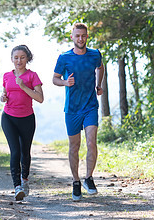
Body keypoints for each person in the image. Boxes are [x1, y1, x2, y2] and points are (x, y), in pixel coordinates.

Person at [53, 23, 104, 201]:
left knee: (91, 142)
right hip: (72, 109)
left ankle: (88, 178)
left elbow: (100, 67)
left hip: (90, 105)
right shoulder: (64, 57)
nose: (80, 39)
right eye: (77, 36)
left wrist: (99, 85)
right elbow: (55, 79)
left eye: (83, 36)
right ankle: (76, 181)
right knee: (74, 146)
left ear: (87, 36)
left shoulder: (95, 54)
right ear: (72, 37)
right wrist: (65, 83)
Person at [0, 45, 44, 200]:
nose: (19, 60)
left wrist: (24, 86)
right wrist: (3, 97)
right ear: (12, 59)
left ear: (28, 59)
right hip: (9, 117)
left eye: (22, 57)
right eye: (16, 57)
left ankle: (25, 180)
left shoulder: (32, 76)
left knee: (25, 152)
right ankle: (17, 186)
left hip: (27, 119)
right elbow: (5, 93)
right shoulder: (6, 75)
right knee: (15, 151)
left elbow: (40, 98)